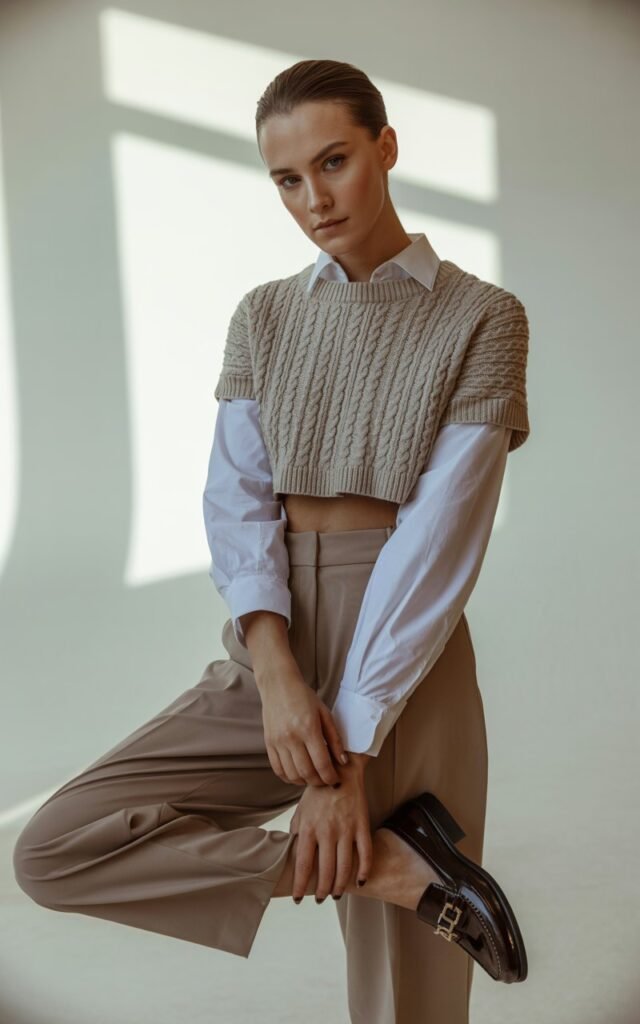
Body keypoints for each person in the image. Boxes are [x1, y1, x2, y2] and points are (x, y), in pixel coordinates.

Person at [13, 59, 530, 1023]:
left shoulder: (483, 318)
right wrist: (277, 674)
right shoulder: (266, 314)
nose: (312, 199)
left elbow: (437, 544)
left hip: (404, 654)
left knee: (403, 1008)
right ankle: (392, 868)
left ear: (386, 148)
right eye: (287, 179)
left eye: (333, 162)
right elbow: (238, 500)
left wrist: (352, 760)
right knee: (57, 845)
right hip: (276, 636)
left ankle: (384, 853)